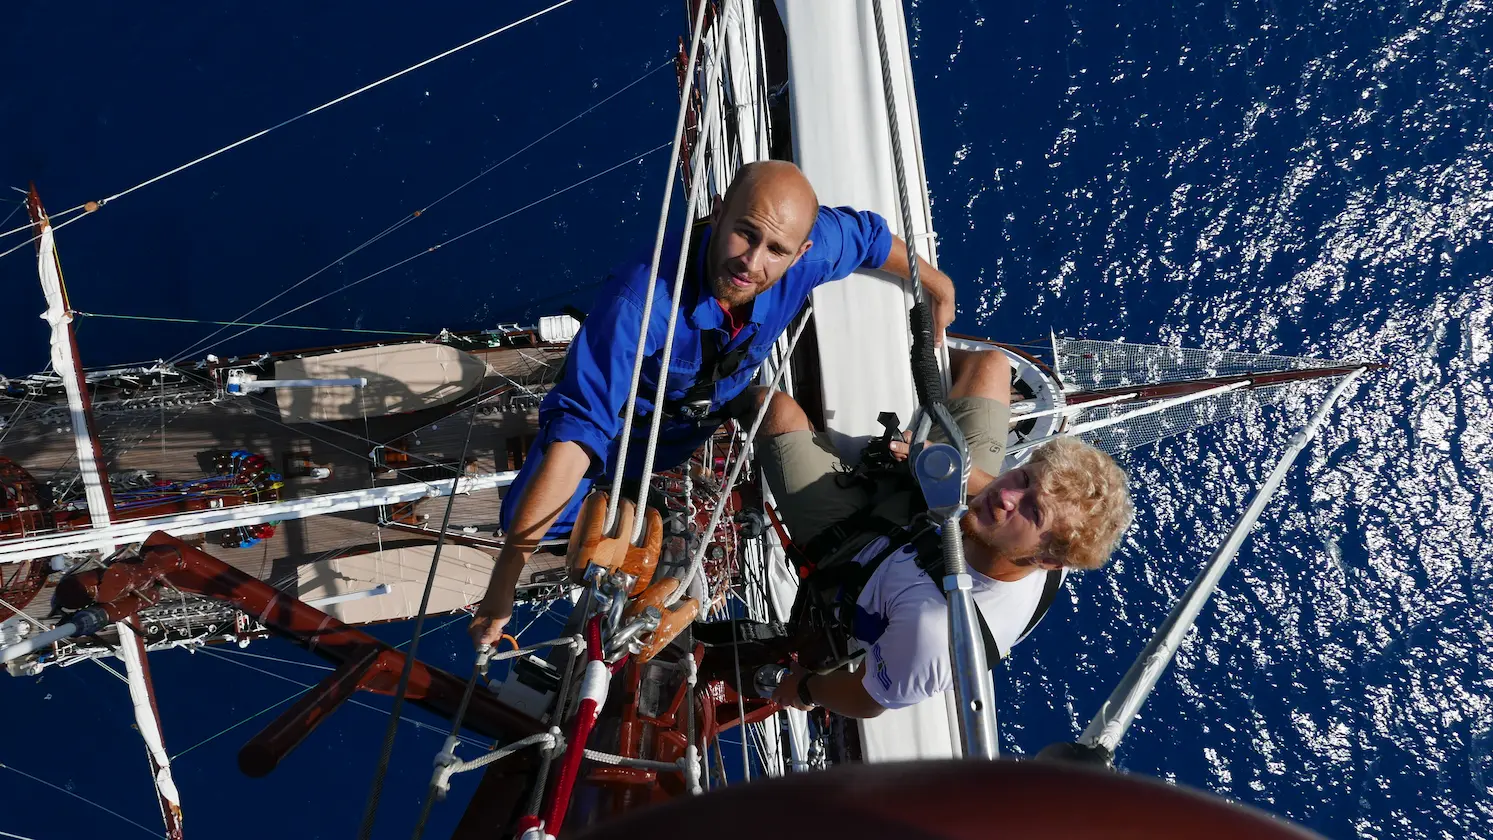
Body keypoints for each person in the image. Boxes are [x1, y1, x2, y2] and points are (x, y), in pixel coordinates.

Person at [470, 160, 958, 648]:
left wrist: (937, 285)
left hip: (700, 422)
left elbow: (869, 238)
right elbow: (579, 433)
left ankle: (653, 513)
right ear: (719, 212)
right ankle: (634, 512)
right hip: (627, 428)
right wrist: (505, 577)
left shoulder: (807, 255)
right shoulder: (639, 305)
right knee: (524, 516)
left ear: (801, 253)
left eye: (776, 251)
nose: (752, 262)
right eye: (744, 233)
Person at [743, 349, 1132, 717]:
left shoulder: (935, 634)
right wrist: (932, 460)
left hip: (852, 547)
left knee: (770, 408)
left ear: (1046, 560)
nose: (1005, 494)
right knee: (993, 366)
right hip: (928, 512)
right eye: (1024, 477)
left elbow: (867, 699)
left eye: (1032, 510)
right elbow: (999, 492)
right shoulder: (1015, 526)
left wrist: (804, 689)